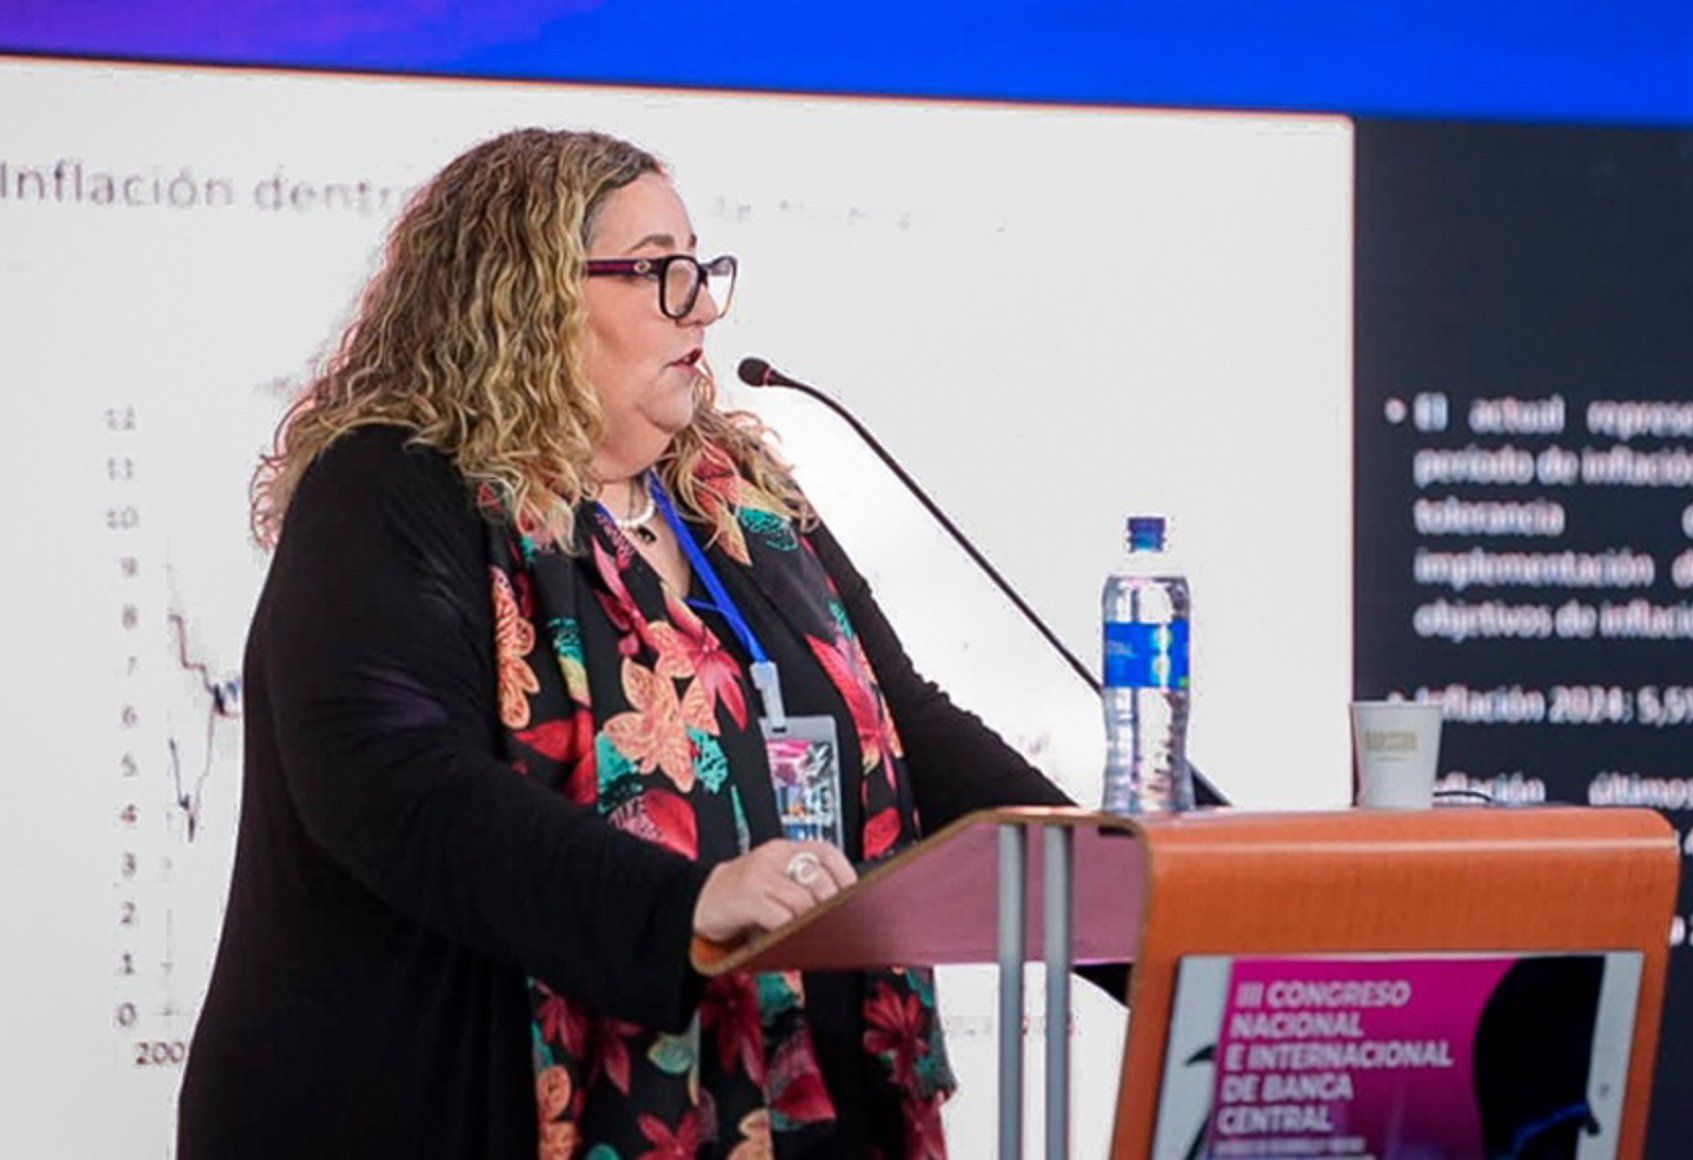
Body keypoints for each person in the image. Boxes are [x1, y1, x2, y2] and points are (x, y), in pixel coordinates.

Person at [177, 128, 1075, 1159]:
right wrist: (686, 907)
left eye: (698, 266)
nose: (702, 306)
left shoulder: (736, 497)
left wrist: (1140, 896)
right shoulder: (391, 489)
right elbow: (394, 781)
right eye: (657, 270)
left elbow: (909, 727)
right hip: (435, 1109)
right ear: (530, 297)